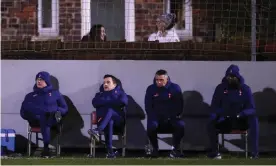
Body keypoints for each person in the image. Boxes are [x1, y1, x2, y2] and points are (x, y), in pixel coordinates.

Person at [207, 64, 259, 159]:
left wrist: (242, 113)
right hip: (225, 120)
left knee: (253, 119)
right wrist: (223, 113)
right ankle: (214, 152)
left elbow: (252, 109)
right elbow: (214, 107)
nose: (231, 79)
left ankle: (254, 153)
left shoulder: (245, 89)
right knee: (211, 119)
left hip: (240, 119)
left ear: (237, 77)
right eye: (229, 77)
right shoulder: (220, 88)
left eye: (233, 77)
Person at [20, 71, 68, 158]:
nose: (39, 81)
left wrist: (56, 110)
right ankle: (46, 148)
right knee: (43, 117)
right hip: (35, 120)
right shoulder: (30, 96)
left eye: (41, 79)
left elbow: (65, 108)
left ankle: (46, 147)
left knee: (45, 118)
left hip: (52, 119)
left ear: (47, 81)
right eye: (37, 79)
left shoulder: (55, 94)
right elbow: (23, 112)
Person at [145, 69, 184, 158]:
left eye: (161, 80)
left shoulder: (175, 88)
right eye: (157, 80)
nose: (158, 82)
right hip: (156, 118)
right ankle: (155, 149)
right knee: (151, 126)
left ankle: (174, 150)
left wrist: (173, 115)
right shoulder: (151, 89)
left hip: (171, 118)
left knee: (180, 125)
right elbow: (148, 106)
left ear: (167, 79)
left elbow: (179, 105)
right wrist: (154, 117)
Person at [88, 74, 128, 158]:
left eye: (108, 82)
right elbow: (94, 103)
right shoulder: (99, 94)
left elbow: (123, 102)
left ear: (114, 84)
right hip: (103, 122)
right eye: (104, 82)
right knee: (109, 121)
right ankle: (110, 152)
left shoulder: (121, 93)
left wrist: (105, 101)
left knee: (110, 110)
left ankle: (98, 131)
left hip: (118, 123)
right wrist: (113, 101)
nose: (105, 84)